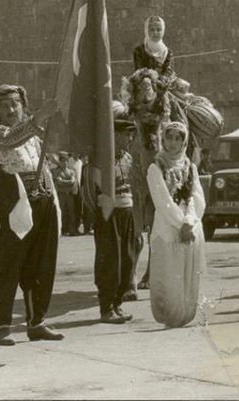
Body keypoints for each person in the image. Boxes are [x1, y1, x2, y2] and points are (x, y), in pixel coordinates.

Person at [0, 84, 63, 345]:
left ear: (22, 106)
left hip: (41, 200)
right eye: (4, 105)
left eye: (15, 103)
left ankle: (36, 321)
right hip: (13, 205)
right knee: (10, 264)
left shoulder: (35, 137)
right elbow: (9, 140)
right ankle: (3, 325)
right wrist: (37, 119)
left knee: (41, 264)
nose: (10, 109)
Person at [146, 121, 207, 328]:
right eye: (169, 138)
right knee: (169, 274)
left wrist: (189, 221)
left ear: (184, 142)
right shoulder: (156, 167)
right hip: (167, 227)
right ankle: (170, 316)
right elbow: (162, 200)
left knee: (188, 273)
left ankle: (185, 314)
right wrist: (180, 223)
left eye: (178, 139)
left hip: (189, 228)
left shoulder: (190, 167)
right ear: (163, 139)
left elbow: (197, 197)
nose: (173, 143)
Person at [93, 120, 139, 324]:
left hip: (127, 211)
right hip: (108, 213)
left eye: (131, 135)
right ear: (114, 135)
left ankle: (118, 303)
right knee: (110, 260)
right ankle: (106, 307)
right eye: (125, 134)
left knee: (128, 259)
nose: (129, 139)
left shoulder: (128, 158)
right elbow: (92, 186)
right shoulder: (101, 159)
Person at [54, 152, 80, 236]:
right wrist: (68, 182)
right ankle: (61, 230)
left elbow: (73, 182)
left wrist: (65, 182)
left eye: (65, 161)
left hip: (70, 195)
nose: (64, 163)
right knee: (61, 212)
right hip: (61, 195)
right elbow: (59, 182)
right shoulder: (56, 171)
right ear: (60, 162)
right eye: (62, 161)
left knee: (71, 212)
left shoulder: (72, 171)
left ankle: (72, 230)